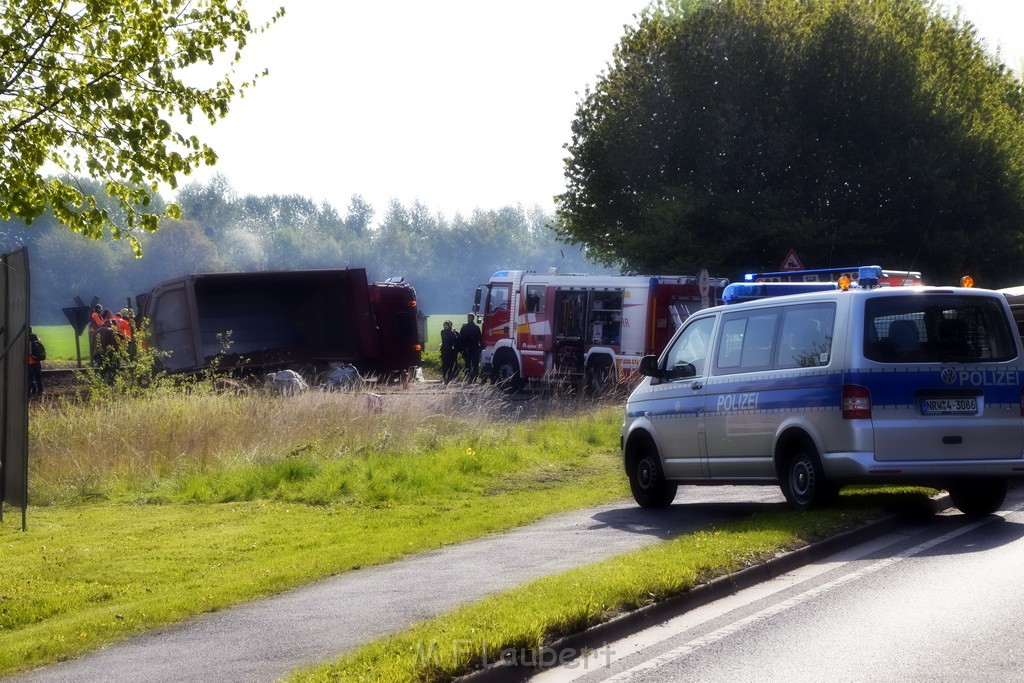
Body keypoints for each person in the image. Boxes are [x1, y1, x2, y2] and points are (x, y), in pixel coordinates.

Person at [459, 313, 483, 383]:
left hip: (475, 348)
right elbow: (461, 339)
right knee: (467, 364)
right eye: (468, 317)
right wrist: (463, 348)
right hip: (467, 348)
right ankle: (467, 377)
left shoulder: (476, 327)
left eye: (470, 318)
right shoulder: (464, 327)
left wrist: (481, 347)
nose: (469, 319)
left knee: (475, 364)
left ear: (473, 318)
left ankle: (474, 378)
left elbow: (480, 338)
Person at [439, 319, 460, 384]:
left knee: (451, 365)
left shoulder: (453, 332)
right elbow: (446, 338)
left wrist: (453, 332)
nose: (445, 327)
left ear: (449, 326)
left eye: (447, 325)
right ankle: (445, 378)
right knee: (445, 365)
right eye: (444, 325)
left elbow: (455, 339)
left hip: (451, 351)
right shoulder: (443, 332)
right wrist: (451, 332)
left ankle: (451, 378)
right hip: (445, 350)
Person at [27, 330, 45, 398]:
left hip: (30, 363)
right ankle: (40, 392)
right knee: (39, 378)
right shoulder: (35, 338)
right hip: (37, 363)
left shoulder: (27, 339)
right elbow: (40, 342)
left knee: (30, 379)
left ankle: (28, 394)